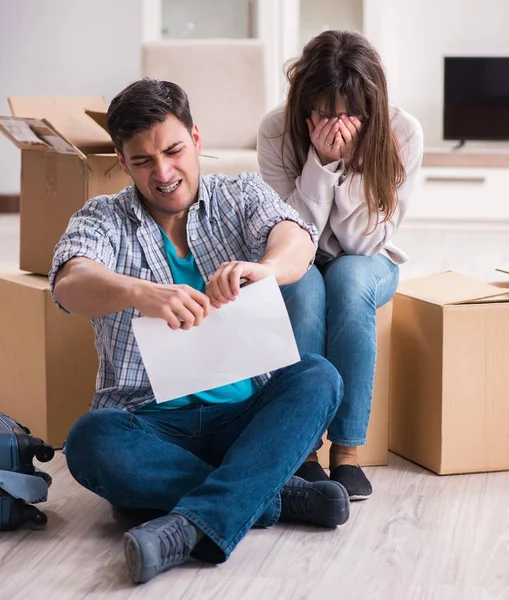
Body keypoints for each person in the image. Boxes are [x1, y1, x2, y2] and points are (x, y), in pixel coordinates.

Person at [50, 78, 350, 585]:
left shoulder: (239, 194)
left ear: (195, 137)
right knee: (88, 441)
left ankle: (191, 522)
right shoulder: (102, 218)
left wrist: (267, 269)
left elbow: (296, 238)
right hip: (149, 426)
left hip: (243, 417)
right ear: (123, 163)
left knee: (318, 377)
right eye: (142, 161)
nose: (163, 173)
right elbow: (70, 282)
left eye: (173, 150)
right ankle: (269, 493)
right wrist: (139, 292)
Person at [257, 30, 424, 500]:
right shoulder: (275, 132)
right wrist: (320, 165)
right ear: (304, 105)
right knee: (305, 289)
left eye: (351, 113)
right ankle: (305, 452)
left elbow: (363, 241)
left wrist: (346, 166)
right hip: (300, 257)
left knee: (349, 281)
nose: (339, 123)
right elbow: (293, 238)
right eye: (326, 113)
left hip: (370, 259)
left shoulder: (402, 132)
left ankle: (347, 453)